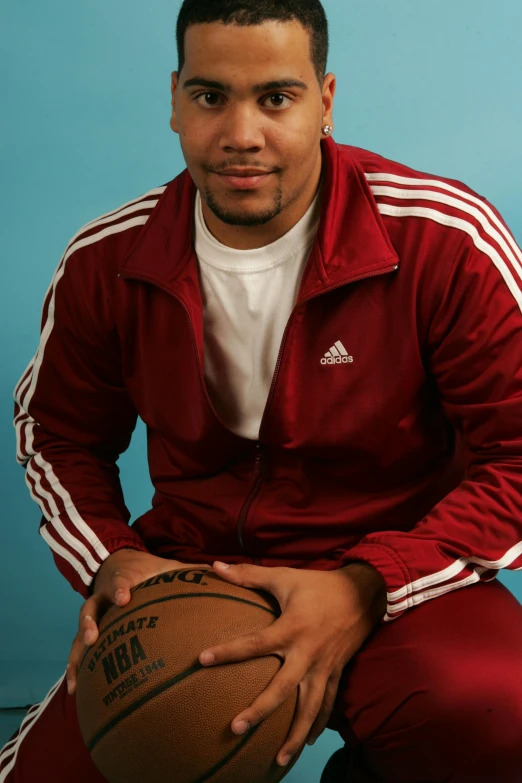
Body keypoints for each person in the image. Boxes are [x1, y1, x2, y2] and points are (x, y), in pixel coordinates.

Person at [3, 0, 522, 780]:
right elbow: (57, 433)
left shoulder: (442, 238)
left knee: (494, 714)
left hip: (397, 576)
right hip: (196, 576)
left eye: (275, 96)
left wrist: (367, 584)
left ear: (326, 100)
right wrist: (111, 556)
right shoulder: (108, 257)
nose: (242, 134)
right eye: (211, 96)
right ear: (175, 100)